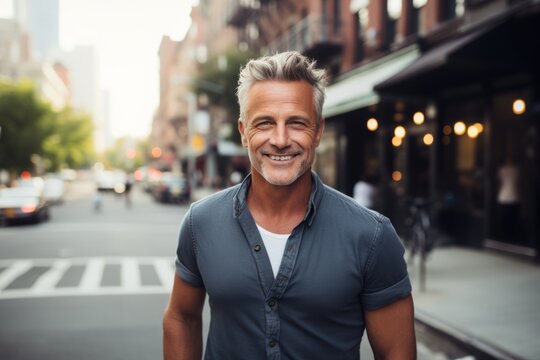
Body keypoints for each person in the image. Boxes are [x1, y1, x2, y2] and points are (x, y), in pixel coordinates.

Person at [163, 51, 416, 359]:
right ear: (244, 133)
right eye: (265, 123)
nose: (280, 139)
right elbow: (180, 317)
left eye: (296, 123)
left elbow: (396, 353)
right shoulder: (199, 223)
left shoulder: (372, 236)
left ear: (318, 131)